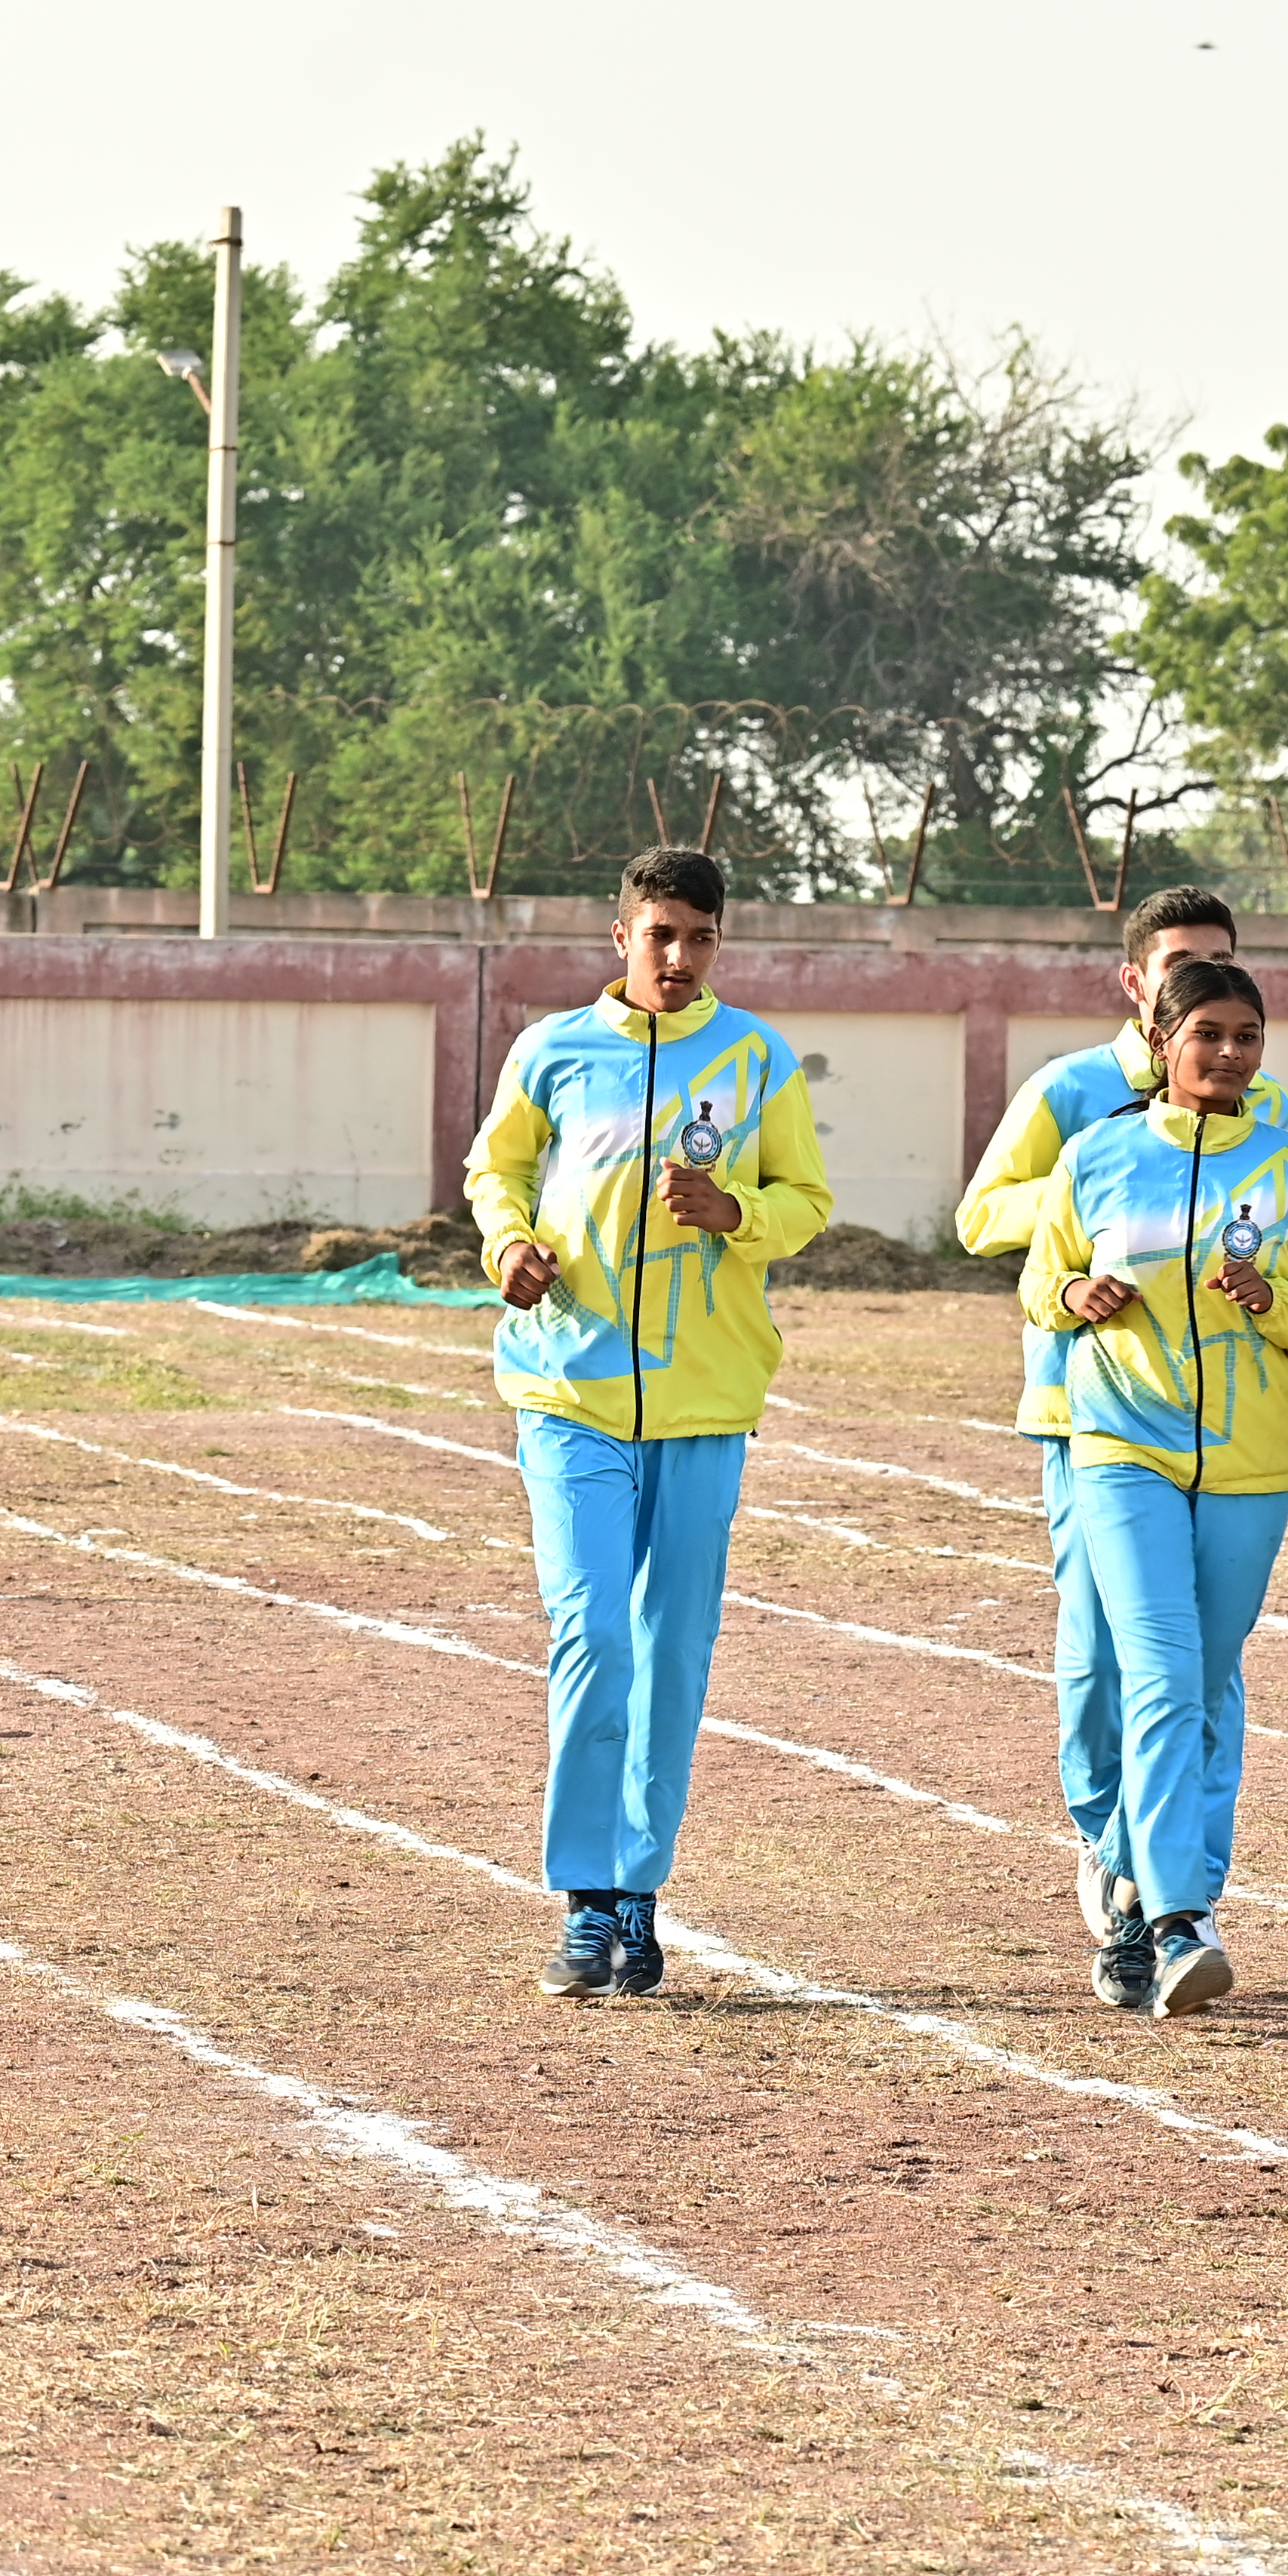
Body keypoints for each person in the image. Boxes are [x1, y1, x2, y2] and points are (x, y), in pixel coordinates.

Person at [463, 846, 833, 2001]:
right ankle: (583, 1896)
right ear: (618, 935)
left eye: (701, 937)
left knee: (672, 1650)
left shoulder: (757, 1057)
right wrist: (509, 1246)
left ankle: (639, 1887)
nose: (679, 956)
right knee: (594, 1636)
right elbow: (496, 1172)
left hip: (706, 1398)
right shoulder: (555, 1051)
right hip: (566, 1390)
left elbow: (808, 1202)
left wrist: (740, 1212)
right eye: (660, 933)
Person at [955, 887, 1288, 1949]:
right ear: (1137, 985)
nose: (1201, 984)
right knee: (1107, 1650)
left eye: (1222, 964)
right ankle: (1109, 1839)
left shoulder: (1268, 1109)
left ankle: (1180, 1874)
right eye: (1180, 966)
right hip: (1088, 1411)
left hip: (1228, 1428)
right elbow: (980, 1218)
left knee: (1202, 1660)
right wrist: (1104, 1189)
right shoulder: (1073, 1094)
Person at [1016, 958, 1288, 2018]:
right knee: (1160, 1677)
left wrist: (1274, 1304)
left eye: (1246, 1036)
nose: (1228, 1054)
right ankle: (1176, 1920)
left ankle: (1127, 1892)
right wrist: (1076, 1292)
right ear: (1162, 1040)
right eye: (1206, 1033)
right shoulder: (1099, 1155)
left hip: (1250, 1467)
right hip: (1122, 1449)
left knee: (1204, 1689)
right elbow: (1041, 1280)